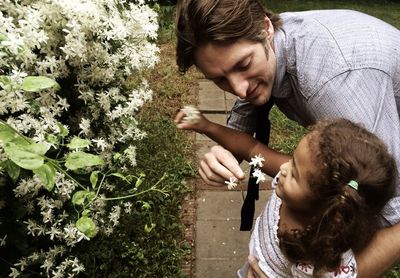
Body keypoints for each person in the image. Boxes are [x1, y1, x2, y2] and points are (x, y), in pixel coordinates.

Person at [175, 0, 400, 275]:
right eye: (221, 80)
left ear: (265, 28)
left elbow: (393, 215)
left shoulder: (334, 85)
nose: (239, 89)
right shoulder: (268, 43)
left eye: (243, 65)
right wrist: (228, 152)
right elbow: (248, 108)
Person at [176, 110, 396, 277]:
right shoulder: (302, 179)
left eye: (295, 174)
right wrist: (207, 126)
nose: (282, 169)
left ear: (325, 207)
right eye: (292, 159)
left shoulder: (325, 257)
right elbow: (251, 148)